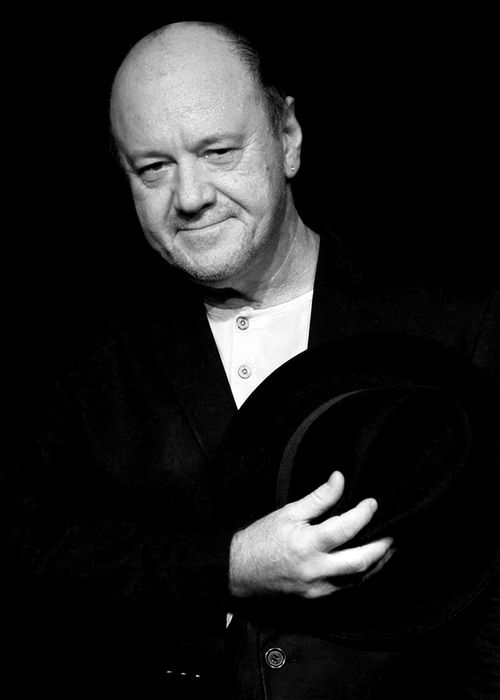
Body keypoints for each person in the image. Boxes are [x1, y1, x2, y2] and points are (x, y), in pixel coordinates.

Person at [3, 19, 498, 699]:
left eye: (218, 152)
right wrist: (227, 567)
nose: (190, 196)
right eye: (153, 169)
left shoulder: (452, 322)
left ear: (287, 137)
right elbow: (32, 549)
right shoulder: (86, 356)